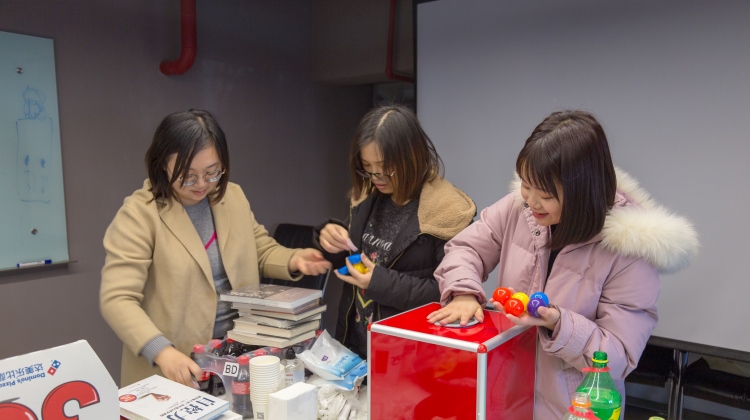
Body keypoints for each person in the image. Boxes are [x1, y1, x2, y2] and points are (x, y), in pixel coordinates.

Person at [427, 110, 699, 418]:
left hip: (575, 409)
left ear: (582, 192)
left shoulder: (628, 250)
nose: (531, 201)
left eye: (545, 195)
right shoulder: (518, 208)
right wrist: (463, 291)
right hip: (508, 397)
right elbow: (466, 248)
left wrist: (558, 323)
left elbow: (619, 357)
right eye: (525, 185)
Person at [100, 109, 331, 387]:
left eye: (212, 173)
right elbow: (118, 299)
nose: (201, 185)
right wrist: (161, 351)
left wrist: (295, 259)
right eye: (187, 176)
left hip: (240, 356)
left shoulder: (232, 197)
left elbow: (259, 249)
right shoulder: (139, 214)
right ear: (162, 165)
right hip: (176, 366)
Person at [315, 104, 476, 359]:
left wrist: (378, 281)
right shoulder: (368, 196)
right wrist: (331, 240)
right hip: (357, 349)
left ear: (412, 156)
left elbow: (446, 293)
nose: (375, 177)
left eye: (384, 168)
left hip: (410, 355)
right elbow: (355, 263)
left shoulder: (447, 211)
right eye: (367, 167)